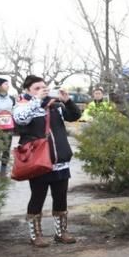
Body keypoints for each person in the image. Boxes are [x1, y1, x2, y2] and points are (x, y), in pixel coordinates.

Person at [12, 75, 82, 246]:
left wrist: (67, 101)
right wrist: (37, 100)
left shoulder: (55, 105)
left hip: (60, 160)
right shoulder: (22, 105)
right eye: (36, 88)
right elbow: (21, 119)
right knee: (38, 197)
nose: (42, 90)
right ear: (27, 90)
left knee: (61, 197)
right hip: (39, 162)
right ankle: (35, 235)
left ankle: (61, 232)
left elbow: (74, 116)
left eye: (43, 87)